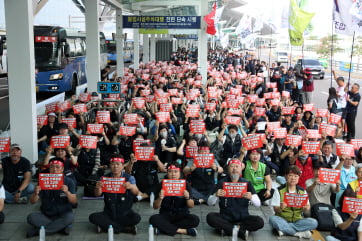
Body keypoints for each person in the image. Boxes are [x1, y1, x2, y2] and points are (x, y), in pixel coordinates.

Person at [206, 159, 264, 240]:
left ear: (241, 169)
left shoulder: (247, 183)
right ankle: (239, 232)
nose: (235, 169)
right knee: (210, 217)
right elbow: (209, 203)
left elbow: (258, 204)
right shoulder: (221, 183)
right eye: (232, 166)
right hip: (225, 217)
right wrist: (216, 195)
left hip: (242, 218)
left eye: (237, 166)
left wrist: (251, 197)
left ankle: (227, 230)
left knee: (259, 221)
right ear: (228, 169)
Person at [89, 156, 141, 234]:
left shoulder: (129, 178)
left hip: (125, 212)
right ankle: (124, 229)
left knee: (136, 217)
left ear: (123, 166)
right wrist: (98, 188)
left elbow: (136, 192)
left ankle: (109, 228)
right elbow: (97, 194)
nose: (115, 166)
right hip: (109, 212)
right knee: (93, 217)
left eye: (118, 164)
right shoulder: (104, 178)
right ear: (110, 166)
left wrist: (131, 186)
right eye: (113, 164)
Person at [26, 159, 77, 237]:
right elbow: (32, 201)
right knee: (31, 217)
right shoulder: (43, 181)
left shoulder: (69, 181)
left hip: (63, 214)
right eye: (52, 167)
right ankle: (60, 228)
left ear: (62, 169)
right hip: (46, 214)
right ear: (49, 169)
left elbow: (74, 202)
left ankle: (40, 231)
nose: (55, 170)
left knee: (69, 217)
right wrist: (35, 193)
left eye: (57, 167)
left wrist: (67, 192)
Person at [149, 162, 200, 236]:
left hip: (182, 214)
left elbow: (191, 206)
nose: (173, 174)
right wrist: (160, 198)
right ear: (167, 172)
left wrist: (187, 198)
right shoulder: (161, 184)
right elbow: (155, 207)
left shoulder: (186, 184)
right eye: (170, 172)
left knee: (195, 220)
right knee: (153, 219)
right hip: (166, 214)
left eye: (176, 172)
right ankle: (183, 231)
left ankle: (164, 228)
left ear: (180, 173)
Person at [269, 165, 318, 239]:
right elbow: (275, 209)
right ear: (286, 176)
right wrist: (281, 208)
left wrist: (306, 208)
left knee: (314, 222)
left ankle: (284, 230)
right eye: (290, 175)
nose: (293, 178)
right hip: (282, 219)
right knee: (272, 219)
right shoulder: (279, 190)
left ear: (299, 177)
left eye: (296, 176)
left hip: (297, 220)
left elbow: (306, 209)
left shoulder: (302, 191)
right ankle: (298, 233)